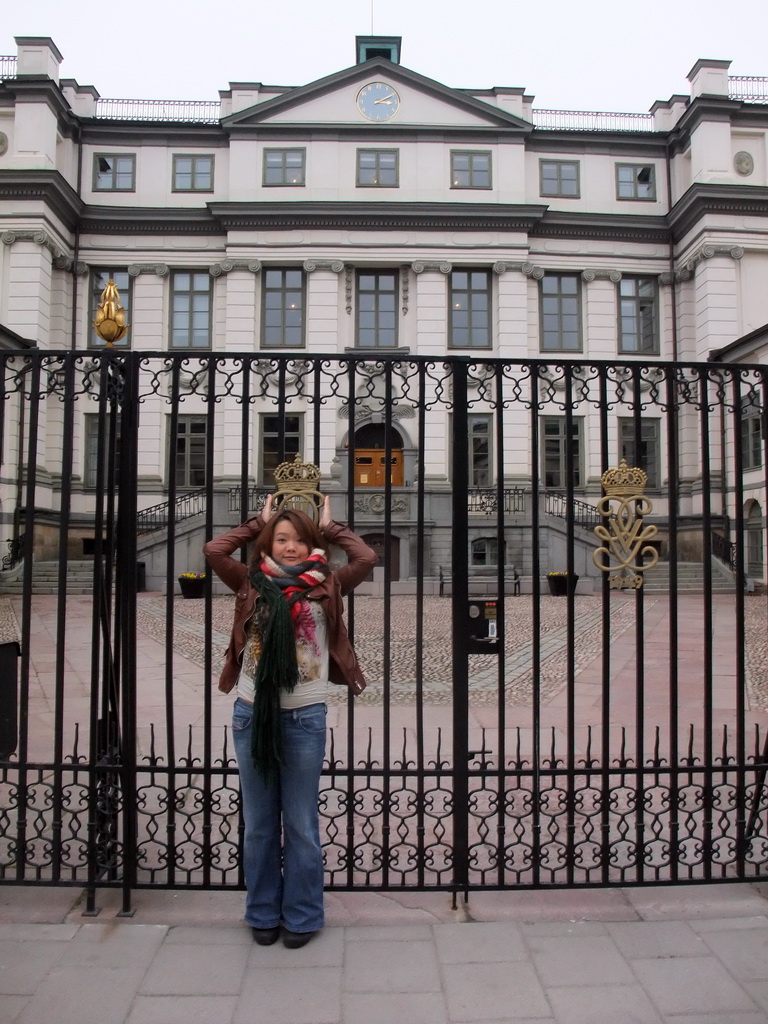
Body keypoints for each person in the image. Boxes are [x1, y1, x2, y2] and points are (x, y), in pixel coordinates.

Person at [203, 494, 376, 949]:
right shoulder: (249, 580)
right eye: (281, 539)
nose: (292, 547)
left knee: (300, 824)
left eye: (300, 540)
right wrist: (254, 521)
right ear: (269, 543)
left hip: (305, 717)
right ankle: (262, 910)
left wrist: (332, 526)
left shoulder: (329, 583)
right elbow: (214, 550)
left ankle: (301, 914)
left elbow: (367, 556)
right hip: (251, 715)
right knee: (259, 823)